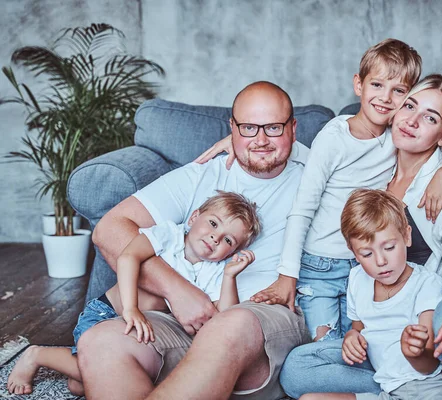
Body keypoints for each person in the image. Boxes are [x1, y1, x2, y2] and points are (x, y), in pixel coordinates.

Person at [196, 39, 442, 342]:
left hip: (363, 264)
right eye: (378, 85)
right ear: (359, 85)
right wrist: (287, 275)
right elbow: (302, 206)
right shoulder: (334, 137)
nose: (386, 98)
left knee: (361, 343)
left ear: (407, 98)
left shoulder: (395, 139)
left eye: (398, 92)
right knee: (325, 342)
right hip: (320, 265)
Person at [280, 70, 442, 400]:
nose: (412, 121)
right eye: (409, 106)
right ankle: (401, 388)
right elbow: (321, 155)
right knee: (297, 369)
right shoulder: (377, 165)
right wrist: (238, 142)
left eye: (429, 117)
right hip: (398, 342)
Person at [77, 81, 312, 400]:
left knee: (231, 323)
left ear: (293, 128)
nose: (260, 139)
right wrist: (177, 291)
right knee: (99, 341)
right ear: (232, 128)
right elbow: (110, 231)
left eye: (272, 127)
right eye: (248, 127)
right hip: (186, 326)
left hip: (262, 323)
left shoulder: (315, 175)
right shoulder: (202, 175)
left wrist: (293, 148)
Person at [6, 191, 260, 396]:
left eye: (228, 241)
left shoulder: (214, 270)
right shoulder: (169, 235)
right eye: (213, 224)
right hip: (108, 314)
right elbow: (128, 257)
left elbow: (224, 320)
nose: (216, 237)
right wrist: (131, 309)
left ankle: (65, 364)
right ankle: (36, 354)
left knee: (80, 385)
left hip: (139, 330)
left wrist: (230, 276)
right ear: (194, 218)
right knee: (92, 372)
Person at [300, 188, 442, 400]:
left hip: (429, 388)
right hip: (387, 390)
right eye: (366, 253)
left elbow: (429, 366)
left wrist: (414, 352)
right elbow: (359, 329)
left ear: (406, 236)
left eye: (389, 247)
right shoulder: (357, 279)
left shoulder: (427, 285)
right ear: (353, 252)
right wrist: (351, 337)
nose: (381, 261)